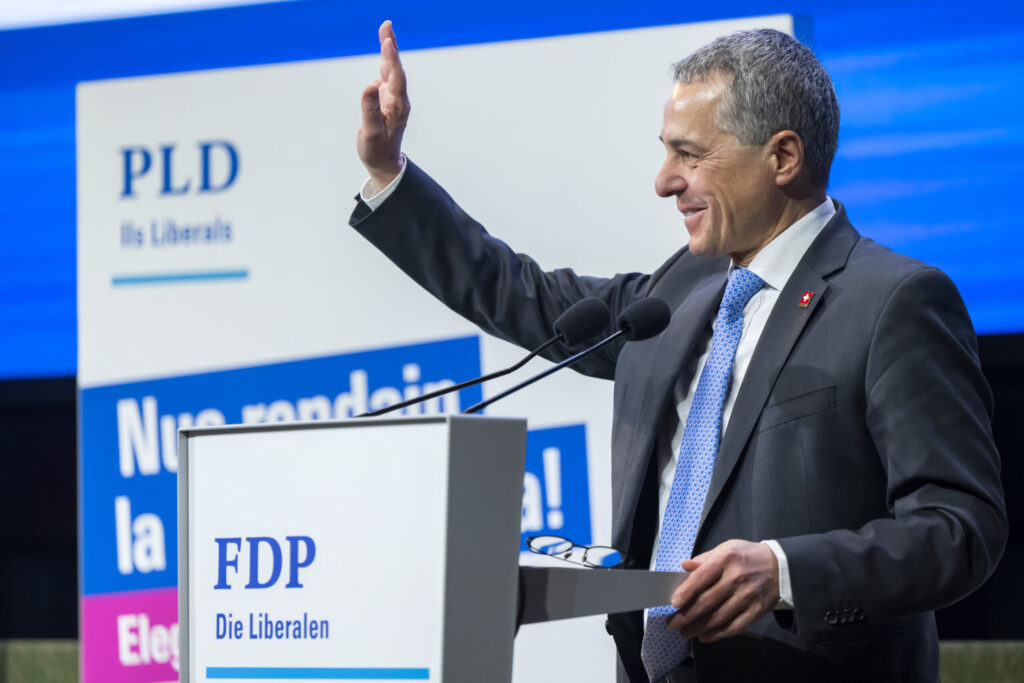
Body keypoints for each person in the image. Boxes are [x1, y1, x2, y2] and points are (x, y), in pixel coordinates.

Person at [351, 20, 1007, 683]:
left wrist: (784, 571)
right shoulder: (680, 290)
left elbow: (960, 527)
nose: (664, 181)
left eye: (689, 155)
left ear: (783, 157)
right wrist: (389, 175)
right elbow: (522, 295)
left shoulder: (893, 301)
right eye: (666, 152)